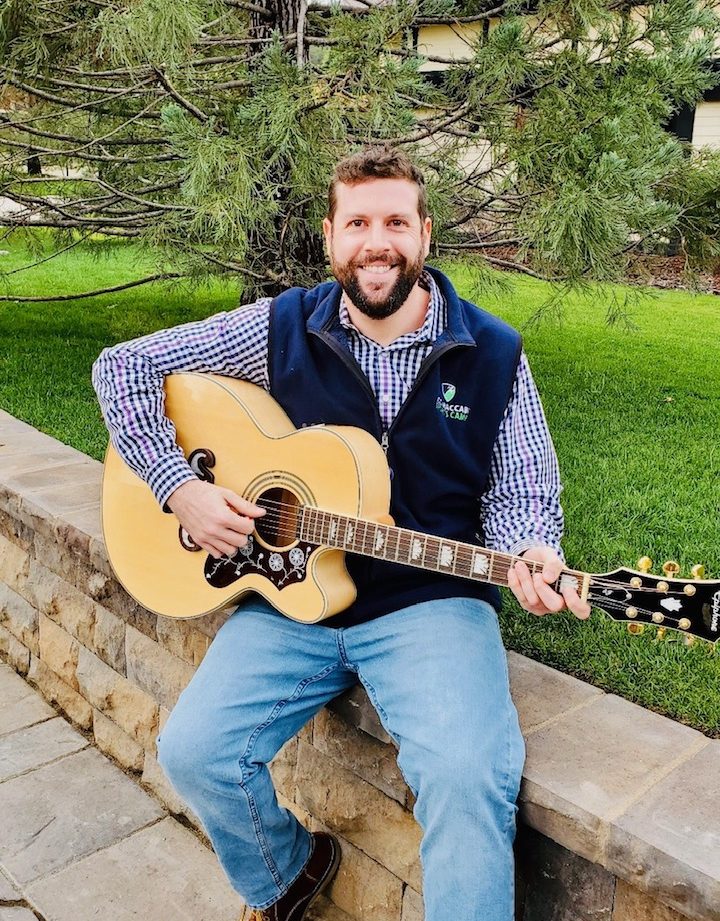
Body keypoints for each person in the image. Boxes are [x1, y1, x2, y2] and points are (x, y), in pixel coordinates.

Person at [92, 145, 590, 921]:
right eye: (357, 222)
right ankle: (288, 875)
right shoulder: (280, 325)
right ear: (331, 237)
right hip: (295, 594)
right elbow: (120, 368)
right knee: (195, 750)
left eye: (395, 220)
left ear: (425, 234)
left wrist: (531, 550)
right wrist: (180, 487)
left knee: (465, 776)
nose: (376, 240)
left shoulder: (493, 352)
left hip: (430, 601)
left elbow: (523, 491)